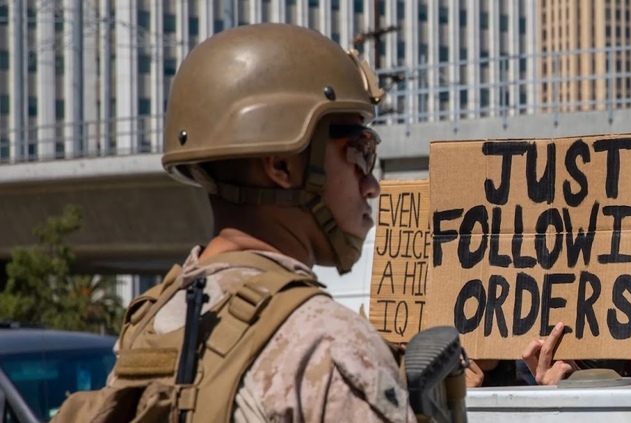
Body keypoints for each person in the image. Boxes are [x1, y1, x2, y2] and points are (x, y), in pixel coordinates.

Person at [99, 23, 414, 422]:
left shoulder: (149, 328)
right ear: (282, 166)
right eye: (358, 151)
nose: (371, 185)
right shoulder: (329, 346)